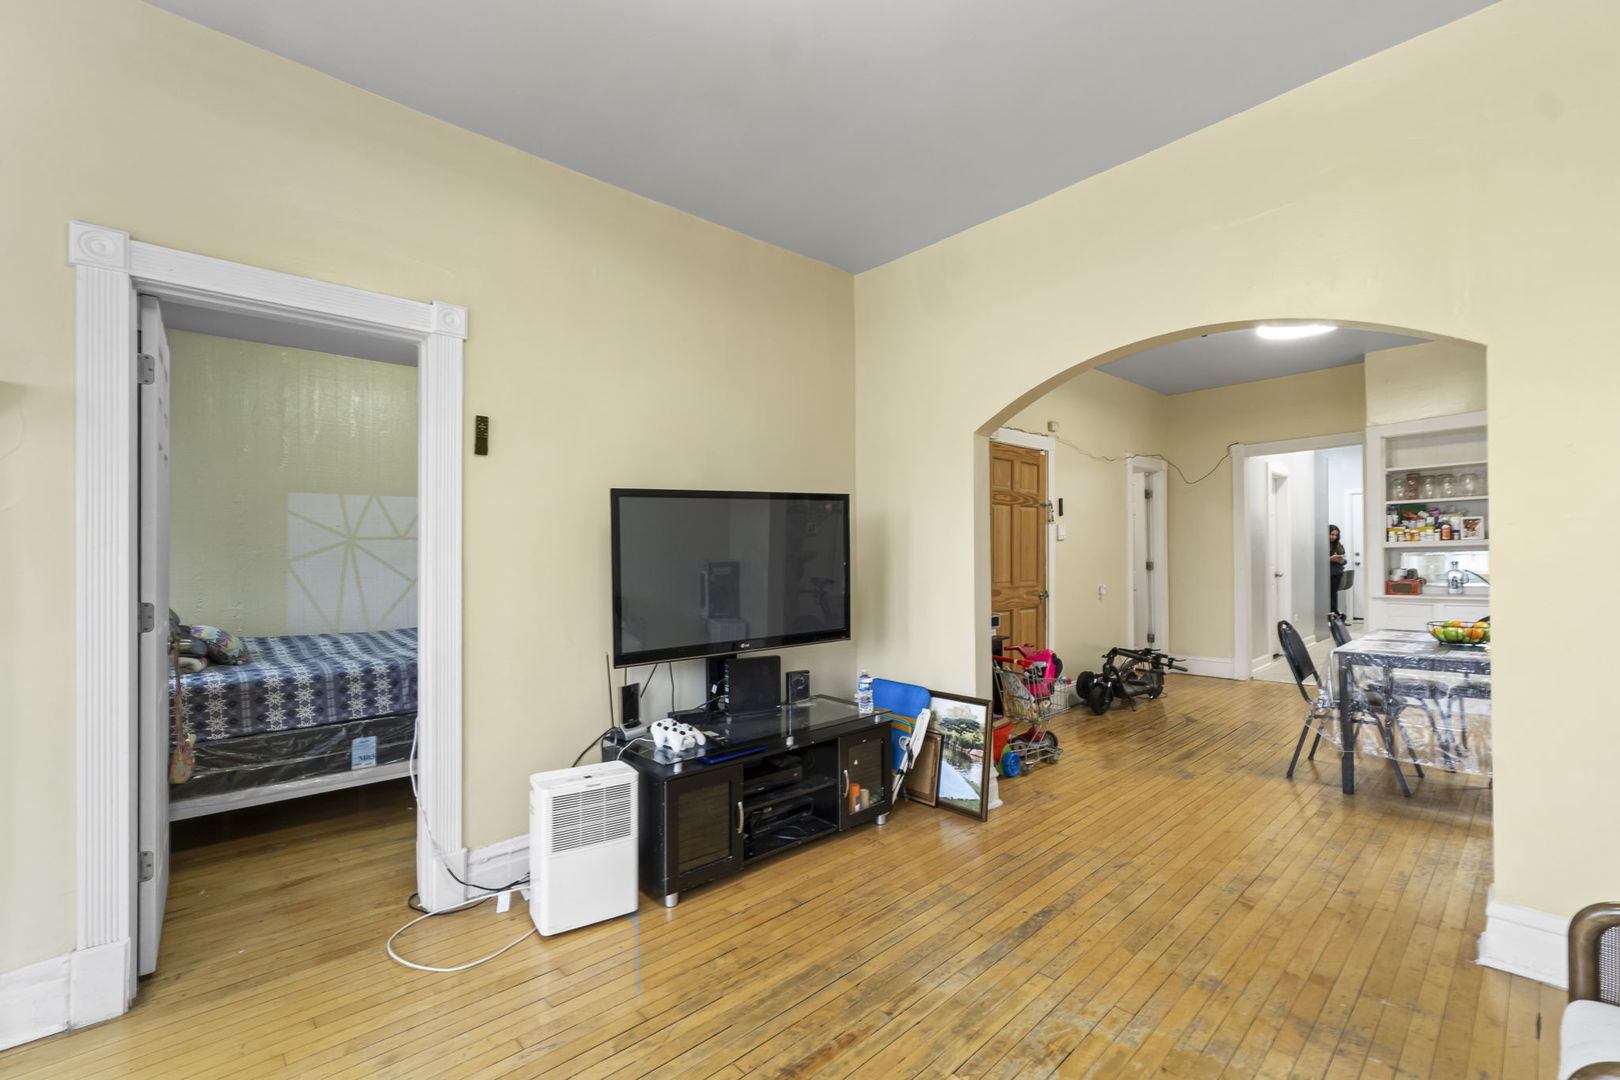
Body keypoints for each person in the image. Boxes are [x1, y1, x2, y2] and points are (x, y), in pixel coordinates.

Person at [1327, 524, 1347, 619]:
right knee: (1328, 595)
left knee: (1333, 595)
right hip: (1325, 574)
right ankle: (1335, 614)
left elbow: (1344, 561)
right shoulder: (1322, 545)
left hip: (1336, 573)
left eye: (1336, 535)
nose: (1334, 537)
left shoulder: (1338, 546)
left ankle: (1335, 615)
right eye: (1332, 534)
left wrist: (1341, 560)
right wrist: (1329, 559)